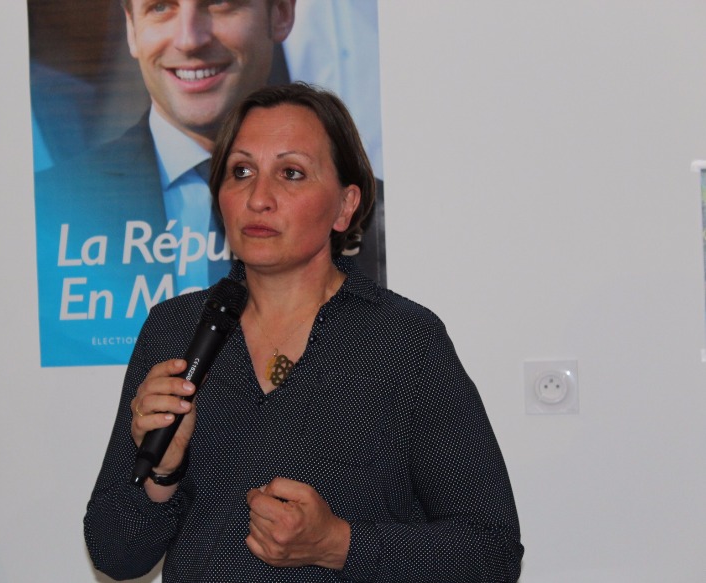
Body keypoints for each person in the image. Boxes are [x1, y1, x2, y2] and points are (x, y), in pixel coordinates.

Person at [84, 83, 524, 582]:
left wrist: (339, 544)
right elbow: (114, 553)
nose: (258, 198)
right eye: (241, 172)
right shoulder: (175, 330)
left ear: (345, 206)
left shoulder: (404, 341)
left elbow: (491, 553)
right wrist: (163, 474)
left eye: (291, 173)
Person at [32, 0, 386, 366]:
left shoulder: (382, 220)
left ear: (281, 13)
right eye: (160, 7)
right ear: (132, 29)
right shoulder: (46, 213)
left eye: (220, 4)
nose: (189, 39)